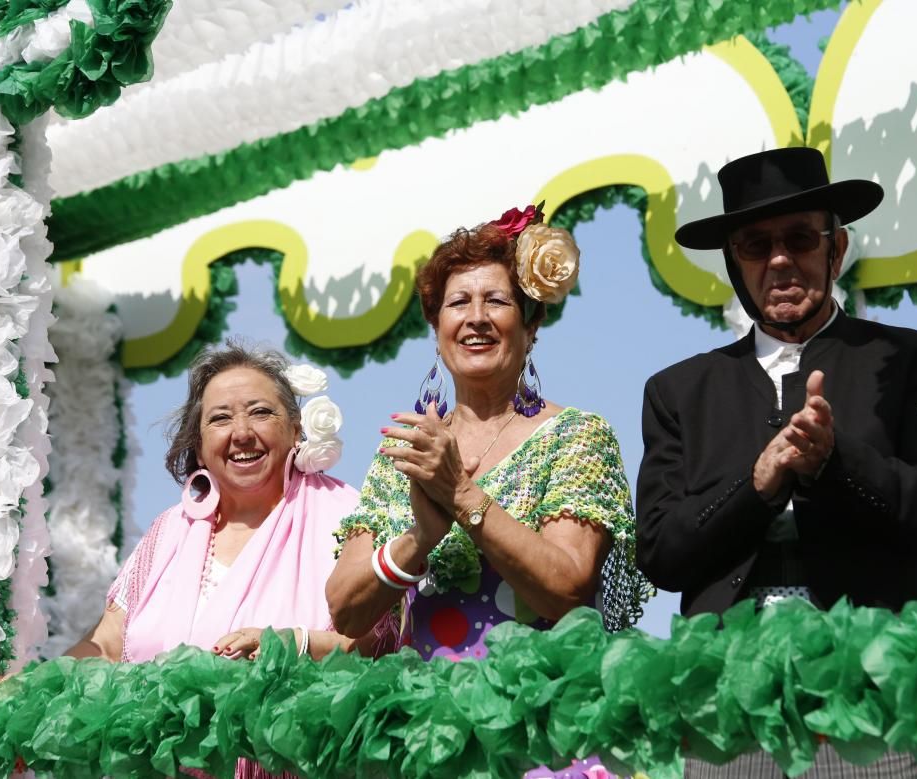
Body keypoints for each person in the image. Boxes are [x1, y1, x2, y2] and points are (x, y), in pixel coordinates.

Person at [636, 147, 917, 778]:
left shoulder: (907, 360)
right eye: (755, 245)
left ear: (836, 248)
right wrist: (756, 485)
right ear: (733, 264)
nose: (779, 260)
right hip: (728, 711)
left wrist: (837, 461)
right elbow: (661, 553)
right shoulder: (679, 392)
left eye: (800, 238)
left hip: (872, 706)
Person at [327, 204, 648, 776]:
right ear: (437, 329)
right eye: (458, 303)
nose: (476, 318)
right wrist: (418, 542)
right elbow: (346, 608)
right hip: (434, 744)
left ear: (531, 326)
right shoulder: (404, 451)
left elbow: (567, 587)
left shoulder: (575, 436)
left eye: (496, 301)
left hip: (549, 742)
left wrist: (464, 498)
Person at [68, 341, 363, 778]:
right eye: (220, 418)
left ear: (296, 430)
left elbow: (376, 646)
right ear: (200, 446)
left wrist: (291, 645)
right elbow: (107, 644)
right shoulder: (169, 530)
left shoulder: (347, 516)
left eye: (261, 412)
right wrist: (28, 688)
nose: (241, 432)